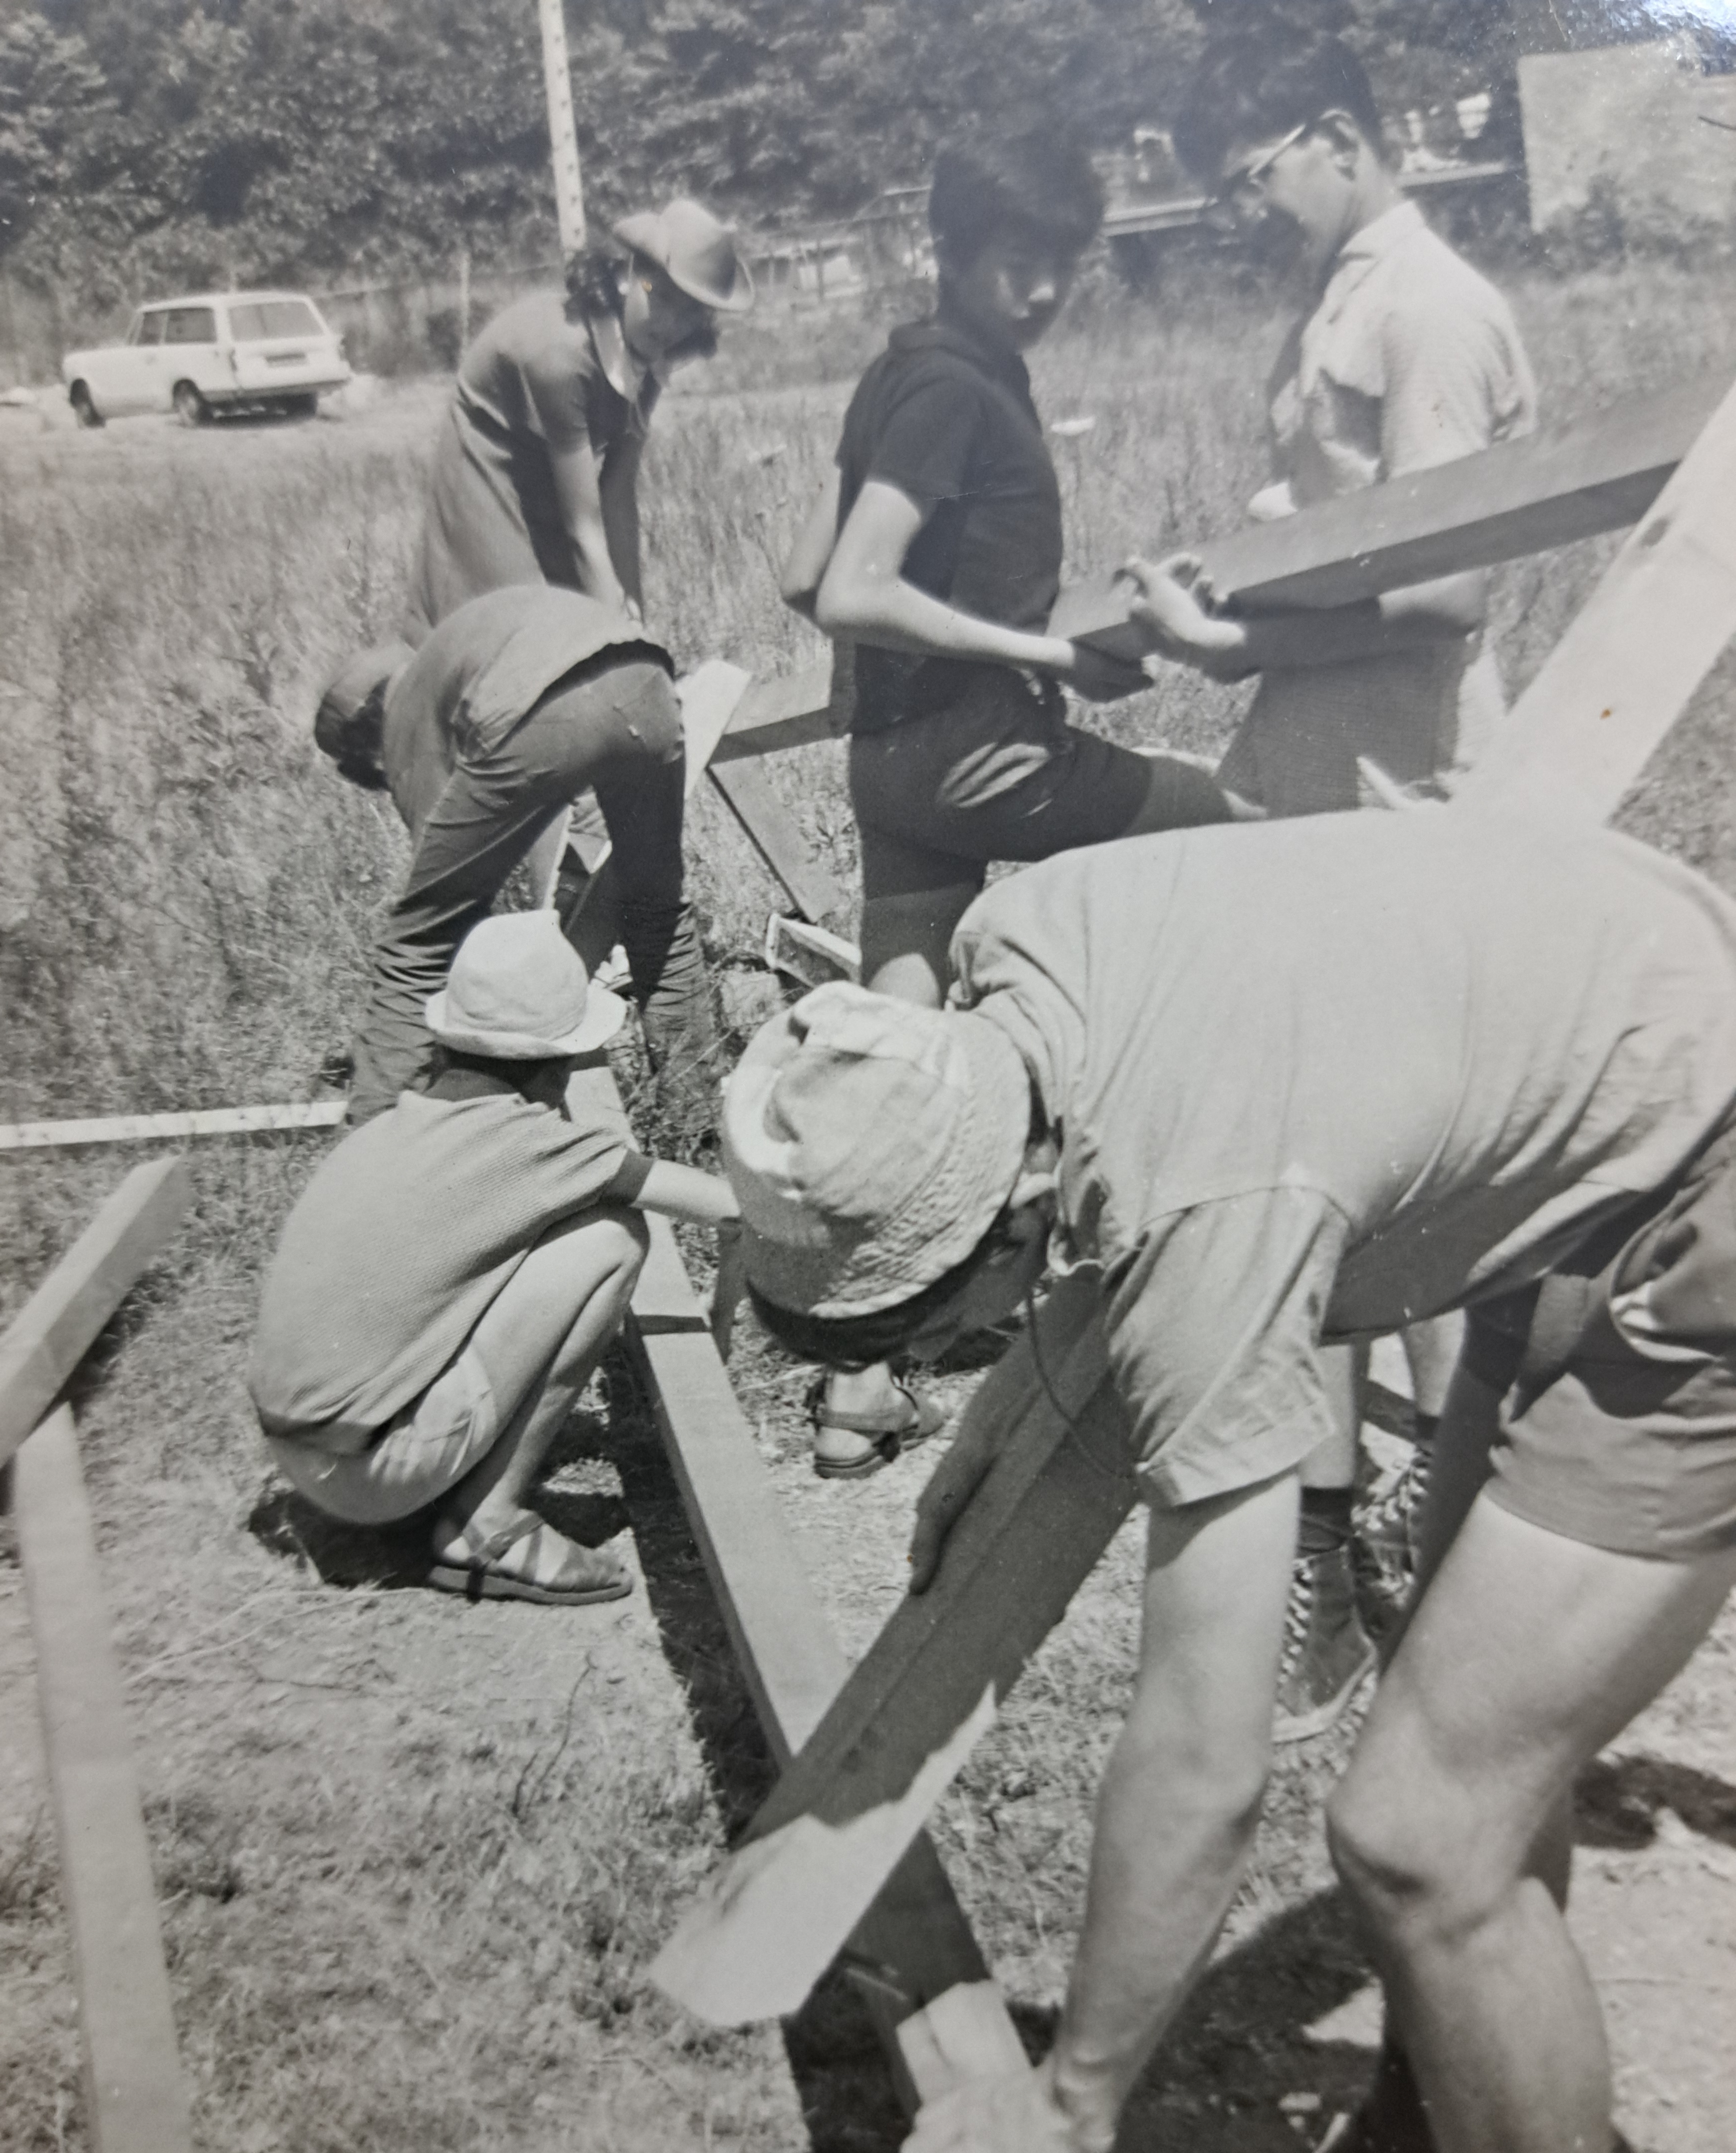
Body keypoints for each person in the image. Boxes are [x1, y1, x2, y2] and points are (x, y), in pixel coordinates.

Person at [720, 807, 1736, 2153]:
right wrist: (1003, 1425)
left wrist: (1069, 2099)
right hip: (1605, 1040)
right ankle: (1445, 2113)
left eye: (923, 1332)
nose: (926, 1362)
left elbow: (1205, 1753)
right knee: (1461, 1697)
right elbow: (1097, 1175)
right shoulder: (1023, 947)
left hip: (1696, 1181)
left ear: (999, 1227)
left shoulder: (1220, 1221)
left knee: (1419, 1831)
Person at [1123, 28, 1541, 1725]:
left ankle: (1441, 1569)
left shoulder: (1421, 300)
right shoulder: (1332, 291)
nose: (1237, 207)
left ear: (1326, 135)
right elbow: (1326, 528)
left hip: (1400, 779)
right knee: (1304, 1174)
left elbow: (1440, 588)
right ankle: (1327, 1559)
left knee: (1421, 1181)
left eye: (1246, 174)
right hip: (1307, 772)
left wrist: (1222, 631)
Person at [777, 120, 1231, 1479]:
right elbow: (855, 587)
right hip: (981, 752)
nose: (1039, 290)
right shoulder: (957, 392)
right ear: (950, 252)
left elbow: (804, 572)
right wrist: (1045, 657)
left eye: (1061, 266)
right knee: (1240, 826)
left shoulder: (910, 372)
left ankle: (857, 1384)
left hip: (892, 761)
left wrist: (1039, 631)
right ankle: (1166, 1244)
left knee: (892, 1063)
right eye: (1012, 263)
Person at [250, 912, 737, 1604]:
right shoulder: (534, 1144)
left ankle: (432, 1479)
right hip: (372, 1477)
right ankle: (490, 1525)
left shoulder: (391, 1127)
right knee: (612, 1239)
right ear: (560, 1063)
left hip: (298, 1456)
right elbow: (725, 1205)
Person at [316, 585, 710, 1128]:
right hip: (648, 681)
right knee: (655, 910)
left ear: (367, 748)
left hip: (548, 702)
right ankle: (698, 1119)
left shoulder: (402, 716)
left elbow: (448, 917)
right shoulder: (455, 650)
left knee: (416, 944)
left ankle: (374, 1142)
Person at [405, 199, 754, 640]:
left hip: (554, 482)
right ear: (629, 274)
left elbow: (618, 492)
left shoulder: (650, 351)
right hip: (490, 468)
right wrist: (619, 642)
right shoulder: (563, 357)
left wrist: (635, 622)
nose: (669, 323)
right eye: (660, 296)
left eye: (689, 312)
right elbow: (584, 527)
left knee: (591, 629)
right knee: (516, 637)